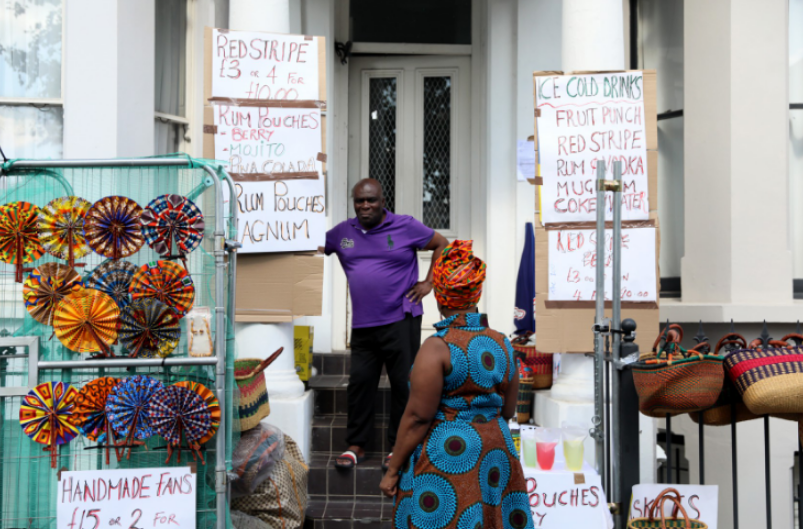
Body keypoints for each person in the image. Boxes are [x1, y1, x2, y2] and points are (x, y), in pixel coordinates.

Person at [380, 240, 534, 529]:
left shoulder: (437, 348)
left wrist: (392, 471)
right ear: (477, 293)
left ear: (439, 296)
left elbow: (416, 418)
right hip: (495, 451)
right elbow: (509, 409)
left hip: (449, 454)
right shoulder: (502, 342)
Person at [322, 178, 449, 470]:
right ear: (353, 203)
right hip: (364, 325)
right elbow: (310, 244)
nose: (365, 206)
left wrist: (430, 282)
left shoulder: (405, 226)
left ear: (382, 201)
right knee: (359, 384)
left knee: (403, 385)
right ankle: (356, 446)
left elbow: (441, 243)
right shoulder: (343, 233)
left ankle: (398, 448)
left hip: (401, 318)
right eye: (359, 201)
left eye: (371, 200)